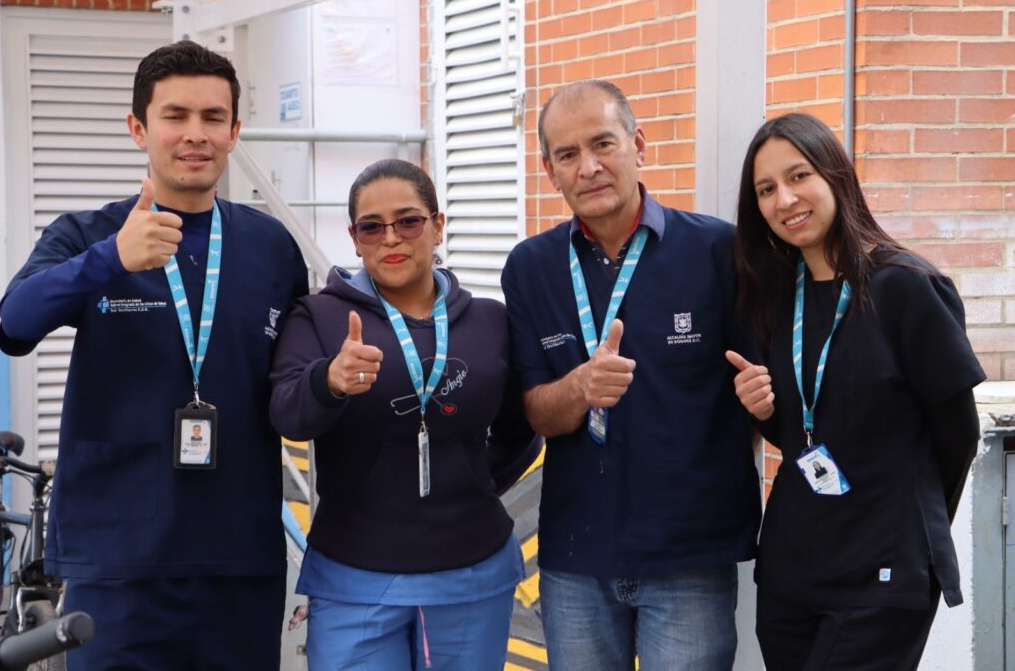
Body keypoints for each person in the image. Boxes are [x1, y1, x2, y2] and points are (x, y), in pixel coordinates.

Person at [0, 41, 309, 669]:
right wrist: (111, 259)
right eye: (175, 116)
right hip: (117, 562)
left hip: (238, 558)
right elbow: (15, 325)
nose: (195, 134)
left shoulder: (271, 246)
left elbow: (296, 381)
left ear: (234, 132)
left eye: (213, 117)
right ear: (139, 128)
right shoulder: (89, 235)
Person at [500, 79, 760, 669]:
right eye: (567, 154)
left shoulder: (719, 252)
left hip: (690, 557)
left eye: (603, 144)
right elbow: (536, 412)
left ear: (638, 145)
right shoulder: (531, 268)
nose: (588, 167)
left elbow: (752, 397)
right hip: (575, 557)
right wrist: (579, 387)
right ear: (549, 170)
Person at [727, 112, 985, 670]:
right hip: (793, 575)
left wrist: (905, 525)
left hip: (881, 574)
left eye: (799, 176)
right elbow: (806, 434)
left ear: (835, 175)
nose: (785, 199)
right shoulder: (777, 298)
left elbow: (959, 435)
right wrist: (762, 410)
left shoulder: (906, 288)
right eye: (766, 189)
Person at [269, 159, 541, 670]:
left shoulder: (489, 321)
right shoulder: (320, 317)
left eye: (409, 221)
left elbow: (520, 430)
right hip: (355, 577)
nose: (391, 238)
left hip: (471, 573)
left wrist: (470, 481)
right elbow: (288, 414)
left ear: (437, 225)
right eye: (372, 227)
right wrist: (329, 381)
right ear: (354, 239)